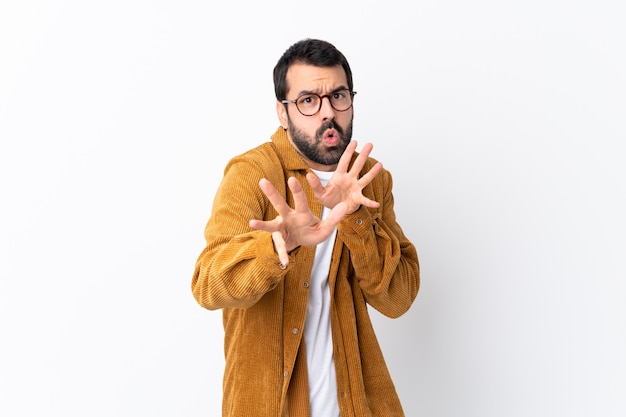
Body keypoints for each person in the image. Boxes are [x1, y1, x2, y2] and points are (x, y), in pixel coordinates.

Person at [191, 38, 420, 417]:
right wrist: (278, 245)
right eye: (308, 100)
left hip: (356, 404)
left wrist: (357, 221)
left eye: (339, 96)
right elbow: (207, 284)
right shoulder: (253, 174)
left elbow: (397, 299)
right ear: (283, 113)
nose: (328, 112)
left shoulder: (370, 180)